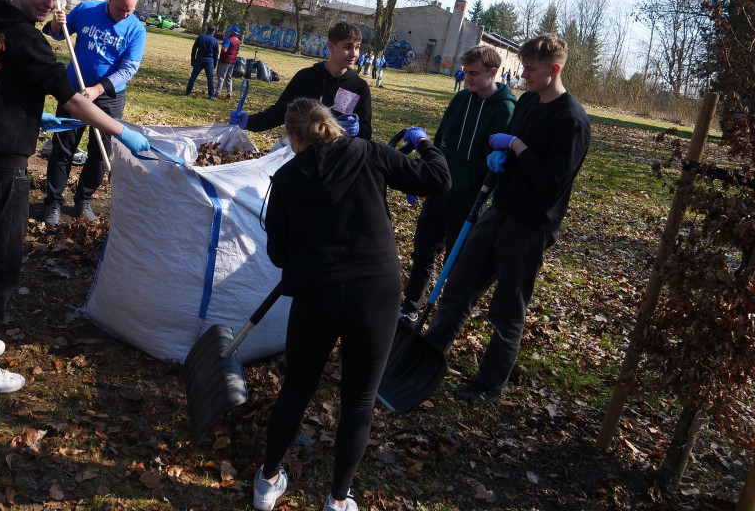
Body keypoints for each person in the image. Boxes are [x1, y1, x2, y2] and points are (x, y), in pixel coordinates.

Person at [0, 0, 150, 393]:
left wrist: (27, 114)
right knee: (1, 264)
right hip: (5, 162)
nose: (49, 2)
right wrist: (123, 131)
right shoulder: (25, 37)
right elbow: (73, 100)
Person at [252, 99, 451, 511]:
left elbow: (276, 253)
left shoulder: (287, 178)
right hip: (375, 290)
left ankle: (267, 480)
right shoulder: (371, 152)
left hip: (317, 292)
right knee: (360, 399)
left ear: (293, 136)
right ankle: (338, 500)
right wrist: (425, 143)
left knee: (297, 389)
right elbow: (439, 178)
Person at [423, 33, 590, 403]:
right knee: (459, 287)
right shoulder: (529, 102)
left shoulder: (572, 122)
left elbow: (551, 183)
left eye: (530, 69)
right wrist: (498, 160)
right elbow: (508, 147)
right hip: (499, 210)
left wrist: (517, 147)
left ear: (555, 69)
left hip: (531, 225)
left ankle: (489, 385)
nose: (523, 75)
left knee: (507, 309)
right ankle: (425, 358)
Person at [401, 45, 516, 321]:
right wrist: (421, 179)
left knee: (457, 261)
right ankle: (411, 309)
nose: (468, 79)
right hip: (440, 190)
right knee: (423, 250)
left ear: (493, 72)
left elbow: (502, 165)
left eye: (474, 73)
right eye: (465, 72)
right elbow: (439, 143)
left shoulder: (505, 110)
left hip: (469, 199)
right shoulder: (460, 99)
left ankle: (446, 316)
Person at [42, 0, 146, 227]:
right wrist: (58, 22)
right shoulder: (86, 9)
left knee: (100, 152)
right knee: (63, 148)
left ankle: (84, 200)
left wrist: (99, 89)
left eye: (130, 10)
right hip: (74, 90)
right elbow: (57, 34)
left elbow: (129, 67)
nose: (125, 15)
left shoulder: (136, 29)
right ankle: (54, 202)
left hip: (109, 95)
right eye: (121, 9)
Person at [228, 22, 373, 140]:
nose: (354, 54)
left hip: (338, 162)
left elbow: (366, 133)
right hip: (302, 153)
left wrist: (358, 129)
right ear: (331, 46)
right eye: (348, 47)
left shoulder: (359, 87)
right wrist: (250, 122)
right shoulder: (306, 77)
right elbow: (280, 113)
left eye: (357, 47)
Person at [185, 23, 219, 99]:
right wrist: (215, 64)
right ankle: (211, 95)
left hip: (199, 59)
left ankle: (188, 91)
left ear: (207, 29)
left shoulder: (201, 37)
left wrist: (193, 59)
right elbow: (216, 54)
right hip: (209, 61)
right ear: (214, 32)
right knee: (210, 79)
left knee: (193, 77)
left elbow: (194, 49)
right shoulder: (215, 41)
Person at [215, 26, 242, 99]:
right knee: (229, 78)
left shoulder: (229, 40)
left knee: (221, 77)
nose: (229, 32)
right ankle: (229, 93)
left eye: (230, 31)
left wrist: (223, 48)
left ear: (232, 32)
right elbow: (238, 51)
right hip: (232, 62)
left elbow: (225, 50)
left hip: (225, 60)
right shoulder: (238, 41)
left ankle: (217, 93)